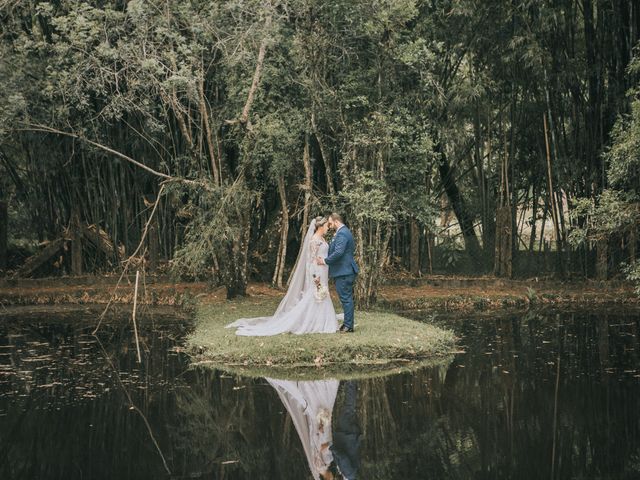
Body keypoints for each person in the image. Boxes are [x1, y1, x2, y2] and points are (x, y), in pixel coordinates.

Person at [226, 216, 340, 336]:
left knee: (321, 295)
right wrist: (315, 276)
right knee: (315, 295)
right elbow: (310, 261)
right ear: (320, 227)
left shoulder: (322, 238)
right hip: (317, 272)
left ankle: (321, 321)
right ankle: (315, 322)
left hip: (323, 270)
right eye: (327, 225)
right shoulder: (314, 240)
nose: (328, 228)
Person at [316, 213, 359, 333]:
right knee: (346, 298)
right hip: (343, 271)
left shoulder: (343, 233)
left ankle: (348, 326)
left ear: (336, 221)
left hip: (344, 271)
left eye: (330, 223)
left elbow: (339, 252)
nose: (329, 226)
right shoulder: (342, 233)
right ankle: (347, 324)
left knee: (346, 298)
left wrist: (325, 261)